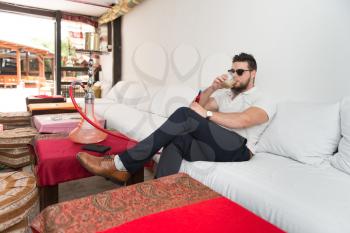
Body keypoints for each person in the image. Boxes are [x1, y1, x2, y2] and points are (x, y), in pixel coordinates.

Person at [77, 52, 276, 182]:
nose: (235, 75)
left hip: (238, 149)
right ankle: (158, 194)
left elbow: (244, 120)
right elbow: (195, 107)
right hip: (216, 145)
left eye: (240, 71)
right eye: (232, 71)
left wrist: (206, 114)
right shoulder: (226, 95)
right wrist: (213, 88)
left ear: (253, 74)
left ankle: (121, 164)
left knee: (183, 114)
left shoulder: (264, 98)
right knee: (178, 137)